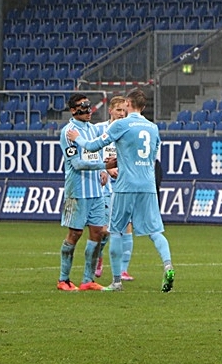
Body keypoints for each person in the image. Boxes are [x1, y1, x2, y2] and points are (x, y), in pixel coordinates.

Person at [68, 89, 174, 293]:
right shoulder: (152, 127)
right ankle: (168, 265)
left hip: (125, 185)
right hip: (148, 185)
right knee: (155, 231)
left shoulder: (121, 124)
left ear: (128, 103)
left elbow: (93, 145)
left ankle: (116, 281)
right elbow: (153, 155)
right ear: (143, 107)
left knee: (116, 231)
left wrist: (77, 138)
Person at [56, 94, 109, 292]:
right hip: (77, 190)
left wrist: (103, 170)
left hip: (96, 190)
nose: (88, 111)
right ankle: (64, 279)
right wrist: (104, 165)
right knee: (75, 233)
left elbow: (97, 151)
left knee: (98, 232)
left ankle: (88, 280)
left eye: (89, 106)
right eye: (83, 107)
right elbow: (76, 163)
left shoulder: (93, 129)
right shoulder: (68, 132)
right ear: (72, 110)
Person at [93, 96, 136, 282]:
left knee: (127, 226)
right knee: (103, 230)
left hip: (123, 184)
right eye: (118, 110)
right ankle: (99, 257)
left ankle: (123, 270)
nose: (121, 113)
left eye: (124, 110)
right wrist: (104, 168)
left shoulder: (129, 130)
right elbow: (90, 152)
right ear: (110, 110)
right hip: (103, 186)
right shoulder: (98, 129)